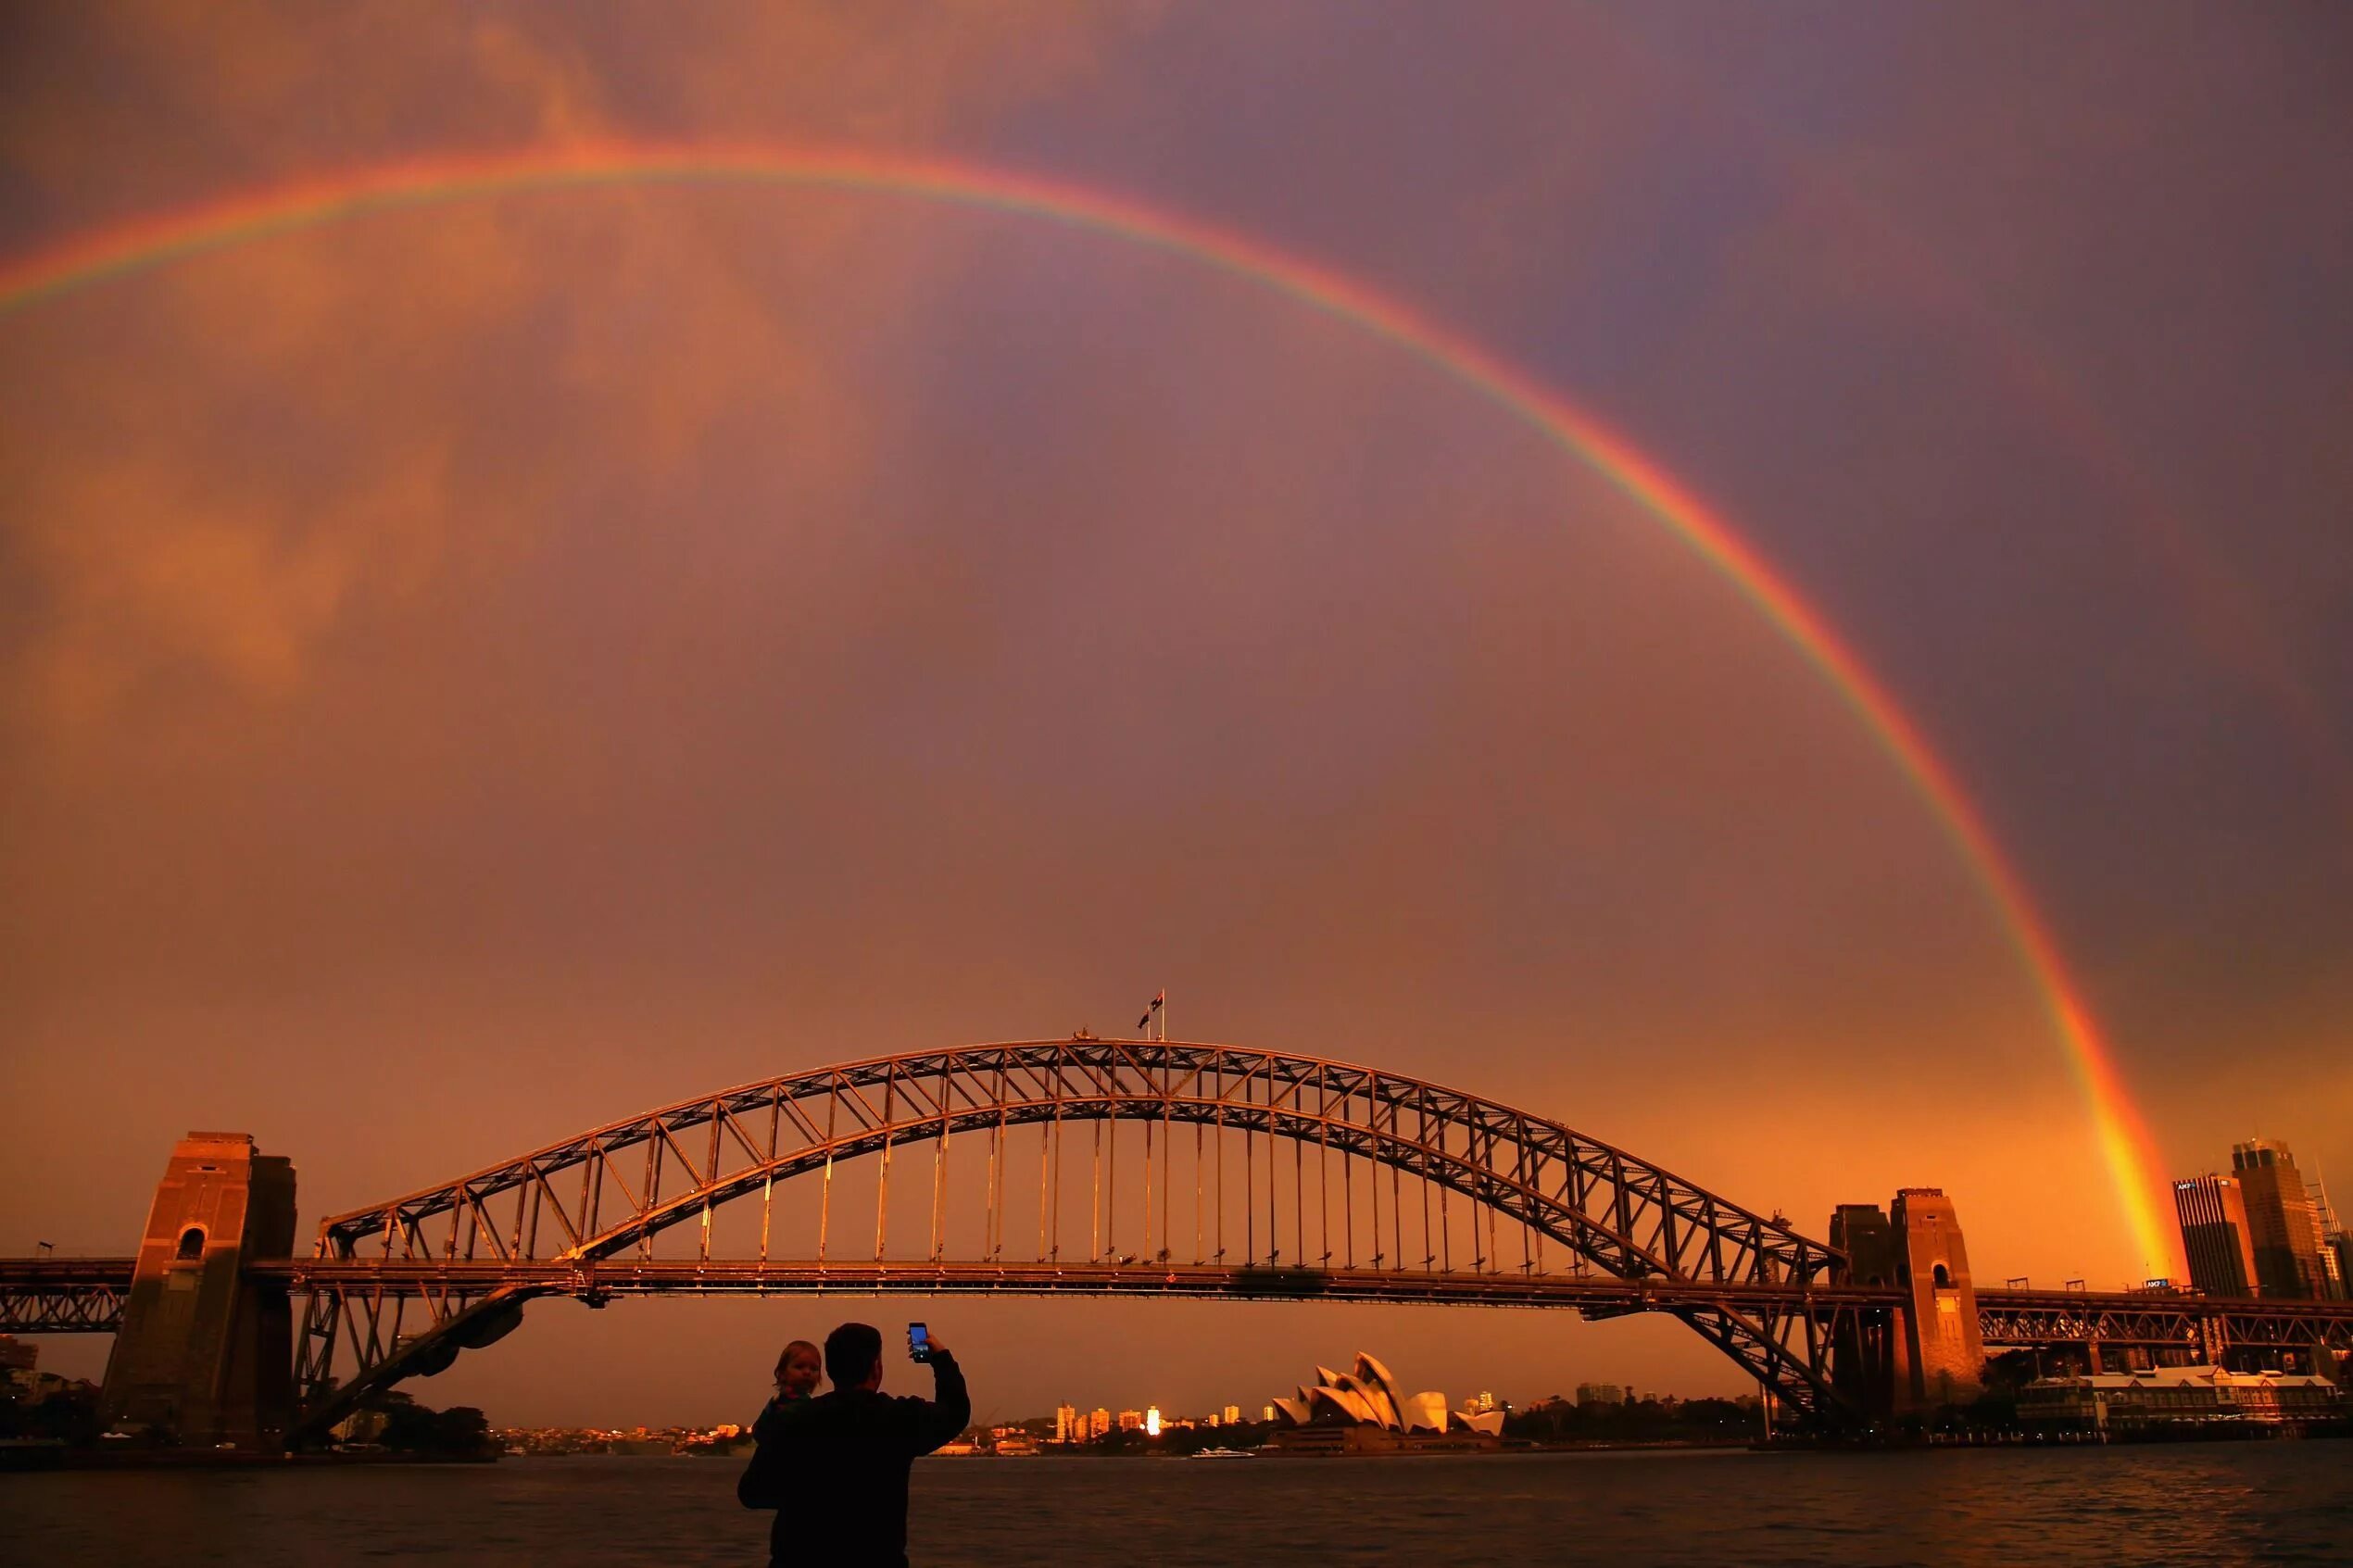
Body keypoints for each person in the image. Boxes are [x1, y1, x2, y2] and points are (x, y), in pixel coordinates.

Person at [738, 1321, 970, 1568]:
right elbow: (955, 1412)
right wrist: (941, 1358)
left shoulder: (793, 1419)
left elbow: (752, 1493)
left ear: (829, 1371)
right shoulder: (898, 1418)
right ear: (876, 1368)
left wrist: (808, 1496)